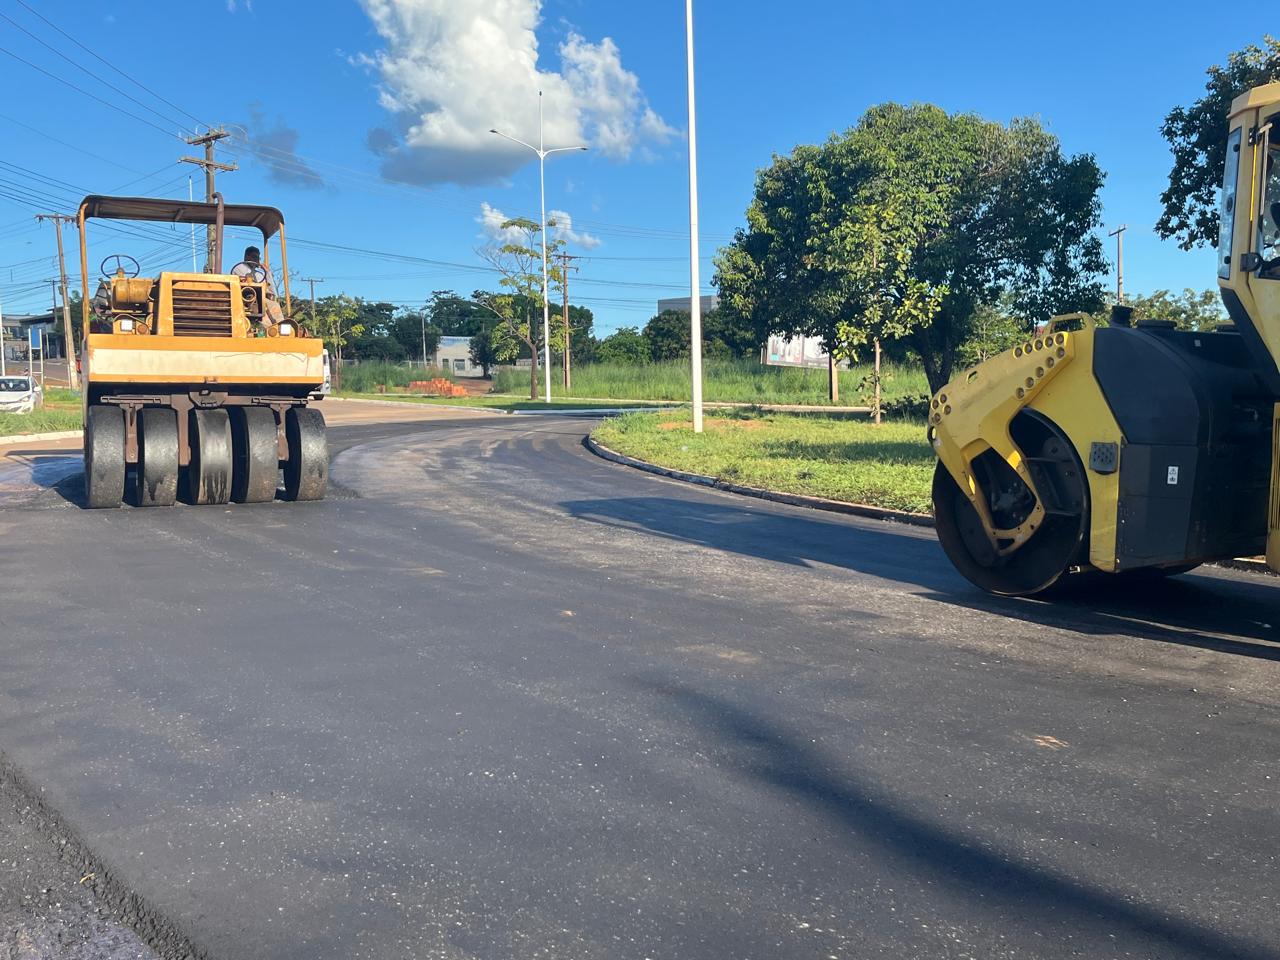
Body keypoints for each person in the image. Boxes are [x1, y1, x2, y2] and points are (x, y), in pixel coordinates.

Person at [230, 245, 285, 327]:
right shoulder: (239, 267)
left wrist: (268, 273)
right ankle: (272, 327)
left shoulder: (259, 274)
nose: (257, 260)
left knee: (272, 304)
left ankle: (279, 327)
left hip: (259, 297)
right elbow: (251, 282)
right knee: (271, 306)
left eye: (258, 258)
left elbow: (271, 290)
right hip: (245, 297)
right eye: (254, 257)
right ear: (247, 257)